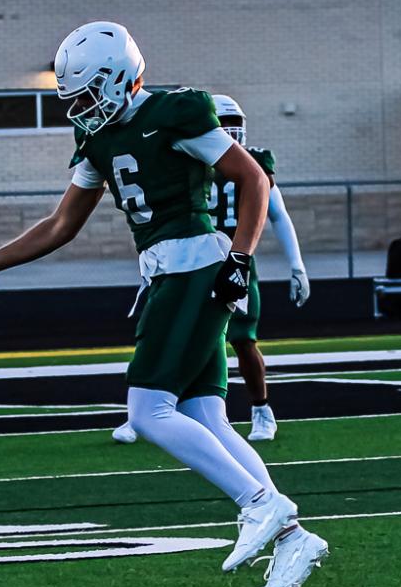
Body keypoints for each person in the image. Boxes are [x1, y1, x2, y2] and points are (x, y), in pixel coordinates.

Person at [0, 22, 327, 587]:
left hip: (195, 263)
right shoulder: (99, 139)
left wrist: (241, 259)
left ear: (120, 78)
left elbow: (252, 178)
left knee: (149, 410)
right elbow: (61, 225)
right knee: (205, 415)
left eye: (85, 96)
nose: (78, 109)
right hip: (167, 271)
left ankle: (262, 505)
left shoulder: (179, 110)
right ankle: (292, 536)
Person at [114, 92, 308, 445]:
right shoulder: (189, 160)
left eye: (236, 127)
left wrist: (297, 266)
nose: (232, 135)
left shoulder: (252, 165)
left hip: (236, 261)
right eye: (225, 126)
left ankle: (261, 409)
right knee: (175, 337)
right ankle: (150, 409)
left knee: (243, 340)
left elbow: (278, 214)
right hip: (192, 262)